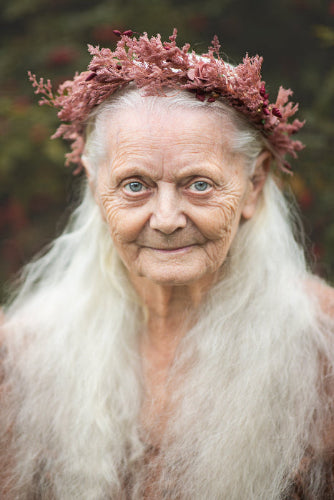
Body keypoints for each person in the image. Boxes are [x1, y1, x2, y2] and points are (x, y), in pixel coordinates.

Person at [1, 29, 334, 499]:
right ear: (97, 187)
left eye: (198, 184)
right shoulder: (22, 359)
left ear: (254, 185)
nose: (166, 219)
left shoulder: (325, 353)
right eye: (135, 185)